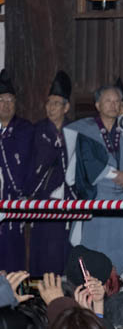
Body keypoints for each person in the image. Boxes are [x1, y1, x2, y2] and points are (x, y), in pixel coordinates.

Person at [65, 84, 123, 274]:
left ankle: (121, 288)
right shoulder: (87, 130)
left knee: (122, 247)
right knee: (95, 248)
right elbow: (87, 160)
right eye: (108, 101)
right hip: (98, 195)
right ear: (98, 105)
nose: (113, 105)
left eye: (117, 101)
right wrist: (117, 175)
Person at [27, 71, 73, 274]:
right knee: (42, 247)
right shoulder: (37, 131)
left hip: (66, 200)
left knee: (64, 247)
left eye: (56, 103)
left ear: (66, 107)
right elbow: (30, 165)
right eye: (49, 103)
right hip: (43, 197)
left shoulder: (74, 131)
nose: (50, 108)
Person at [0, 69, 33, 272]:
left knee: (14, 262)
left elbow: (30, 166)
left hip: (14, 203)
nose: (6, 105)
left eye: (10, 100)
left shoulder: (25, 129)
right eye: (2, 100)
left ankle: (15, 302)